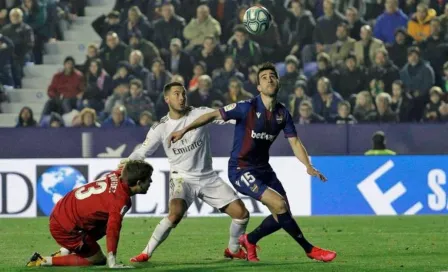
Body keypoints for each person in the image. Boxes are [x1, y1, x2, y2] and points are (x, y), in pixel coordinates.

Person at [168, 62, 337, 262]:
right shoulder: (246, 107)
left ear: (278, 82)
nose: (269, 79)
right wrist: (183, 130)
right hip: (241, 168)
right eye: (264, 77)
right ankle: (310, 250)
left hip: (264, 169)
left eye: (272, 76)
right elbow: (213, 115)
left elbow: (295, 142)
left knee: (283, 214)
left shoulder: (282, 114)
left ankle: (249, 239)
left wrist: (308, 166)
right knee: (280, 205)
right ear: (258, 87)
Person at [126, 82, 250, 263]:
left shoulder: (199, 113)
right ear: (167, 99)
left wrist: (248, 116)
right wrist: (128, 161)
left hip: (208, 177)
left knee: (242, 214)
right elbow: (142, 151)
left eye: (183, 94)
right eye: (176, 94)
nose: (182, 97)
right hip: (182, 178)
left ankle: (233, 250)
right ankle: (146, 253)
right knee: (175, 214)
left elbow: (227, 116)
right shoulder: (161, 127)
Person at [26, 160, 154, 268]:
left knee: (103, 222)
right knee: (98, 260)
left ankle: (65, 251)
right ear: (138, 183)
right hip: (64, 227)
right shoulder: (120, 200)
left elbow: (124, 169)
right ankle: (43, 261)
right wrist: (112, 260)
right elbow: (113, 230)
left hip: (61, 210)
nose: (151, 182)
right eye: (148, 179)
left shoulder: (116, 175)